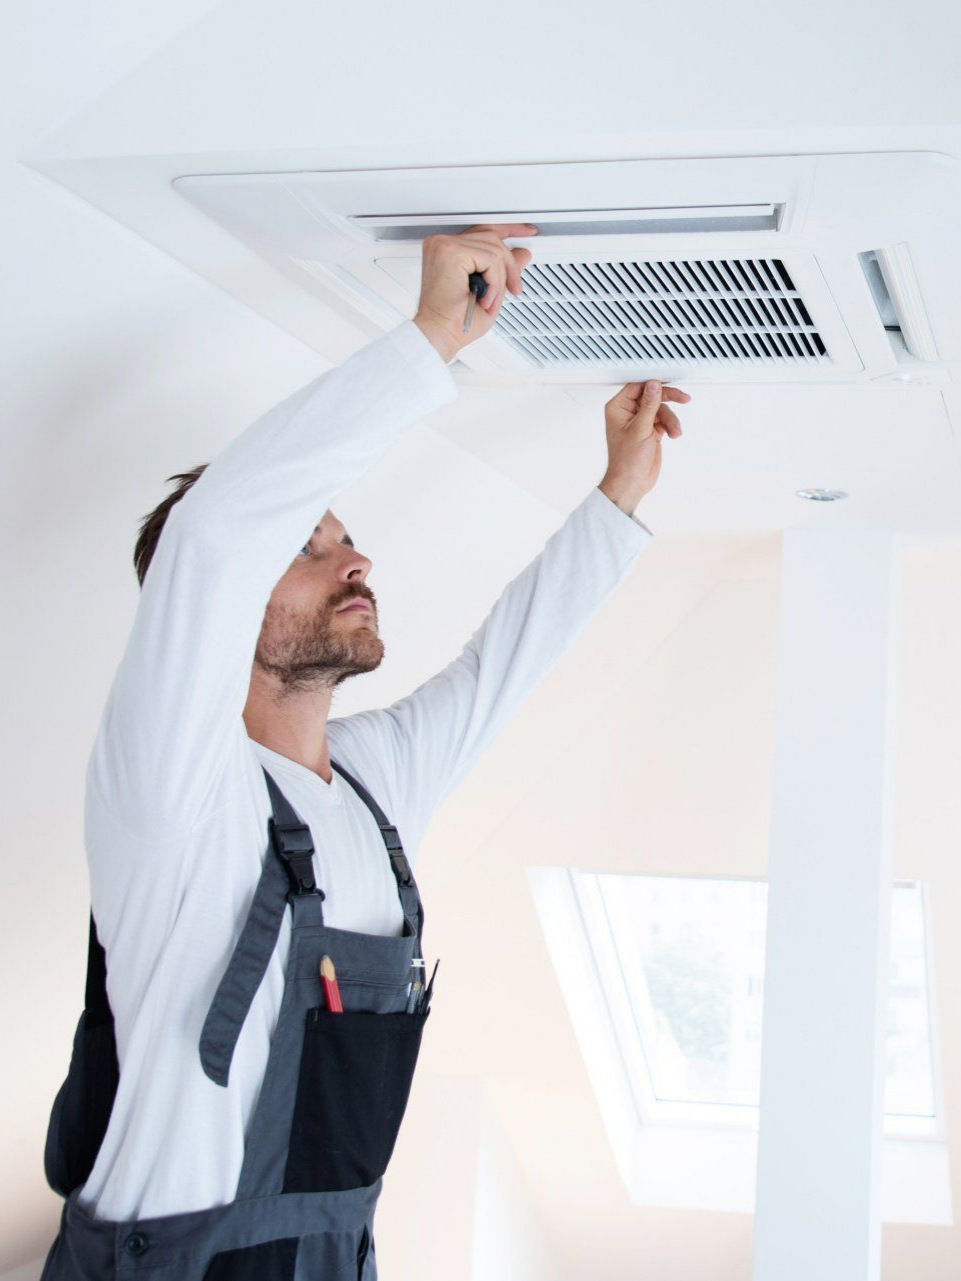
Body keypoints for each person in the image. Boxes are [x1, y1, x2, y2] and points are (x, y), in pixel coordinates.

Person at [40, 224, 690, 1279]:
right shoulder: (169, 789)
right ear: (216, 614)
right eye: (308, 544)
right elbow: (212, 538)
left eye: (339, 538)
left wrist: (618, 493)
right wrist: (432, 337)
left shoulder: (374, 790)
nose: (356, 559)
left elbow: (502, 670)